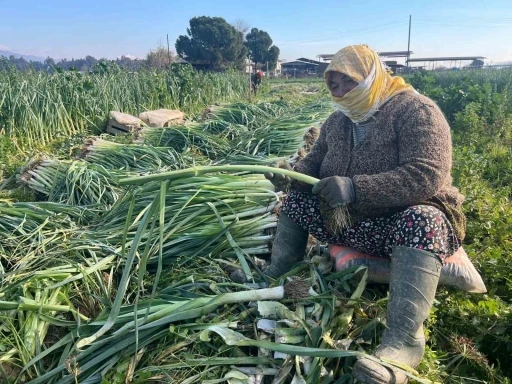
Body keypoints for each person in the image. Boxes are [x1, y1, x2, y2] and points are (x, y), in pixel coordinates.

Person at [261, 44, 472, 383]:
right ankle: (276, 274)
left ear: (372, 76)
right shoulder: (337, 122)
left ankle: (404, 343)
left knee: (422, 219)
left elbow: (427, 175)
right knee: (297, 203)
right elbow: (312, 167)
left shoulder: (416, 111)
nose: (343, 91)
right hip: (351, 224)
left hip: (401, 227)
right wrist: (290, 176)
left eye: (350, 81)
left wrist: (356, 187)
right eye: (335, 85)